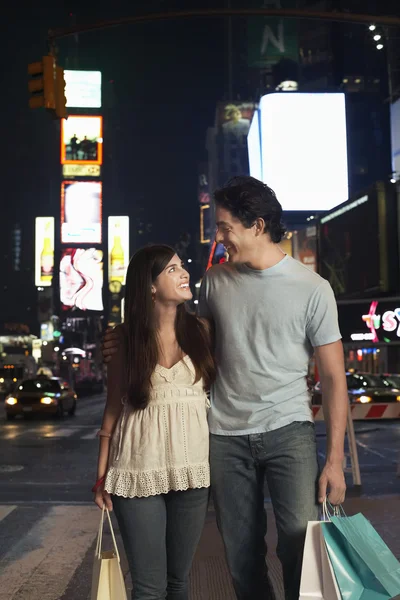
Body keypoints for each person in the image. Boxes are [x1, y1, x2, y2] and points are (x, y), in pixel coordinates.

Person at [102, 177, 348, 600]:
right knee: (240, 553)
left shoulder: (313, 289)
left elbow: (334, 377)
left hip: (289, 429)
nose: (218, 236)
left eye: (224, 226)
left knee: (297, 542)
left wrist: (336, 459)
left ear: (256, 225)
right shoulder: (215, 282)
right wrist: (127, 335)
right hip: (224, 435)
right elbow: (182, 333)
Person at [93, 244, 215, 600]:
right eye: (173, 269)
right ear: (149, 286)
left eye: (182, 267)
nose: (184, 273)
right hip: (137, 469)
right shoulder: (123, 339)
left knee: (179, 582)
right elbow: (113, 407)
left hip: (193, 471)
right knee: (149, 587)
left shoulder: (203, 331)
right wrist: (101, 476)